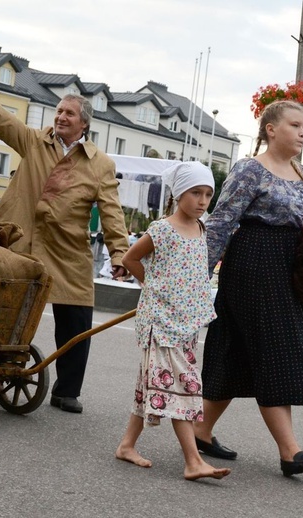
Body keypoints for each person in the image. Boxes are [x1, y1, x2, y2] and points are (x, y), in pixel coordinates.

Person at [0, 70, 129, 414]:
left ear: (83, 124)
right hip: (18, 240)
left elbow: (112, 213)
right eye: (59, 111)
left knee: (77, 316)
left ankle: (67, 390)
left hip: (67, 250)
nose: (60, 117)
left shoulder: (101, 164)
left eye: (69, 113)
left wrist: (119, 253)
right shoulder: (33, 140)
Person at [195, 99, 303, 477]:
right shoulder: (249, 169)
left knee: (237, 353)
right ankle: (290, 452)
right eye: (295, 125)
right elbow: (221, 222)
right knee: (276, 352)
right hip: (253, 266)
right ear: (271, 129)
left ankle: (201, 431)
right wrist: (195, 274)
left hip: (286, 269)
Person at [115, 162, 230, 481]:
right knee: (186, 386)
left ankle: (126, 445)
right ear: (180, 193)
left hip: (186, 324)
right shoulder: (162, 229)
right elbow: (130, 259)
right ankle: (193, 461)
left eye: (208, 194)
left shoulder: (201, 229)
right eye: (196, 193)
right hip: (162, 325)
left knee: (147, 387)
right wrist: (153, 287)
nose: (203, 200)